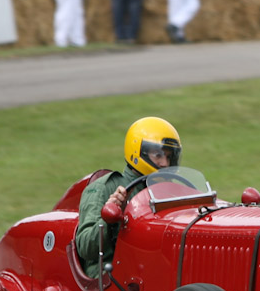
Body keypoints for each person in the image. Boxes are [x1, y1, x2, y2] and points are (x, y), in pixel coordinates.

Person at [75, 117, 182, 277]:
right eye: (158, 155)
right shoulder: (106, 186)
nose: (165, 163)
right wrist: (109, 219)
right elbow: (85, 247)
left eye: (169, 156)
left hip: (154, 268)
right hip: (112, 278)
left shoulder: (170, 190)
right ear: (138, 152)